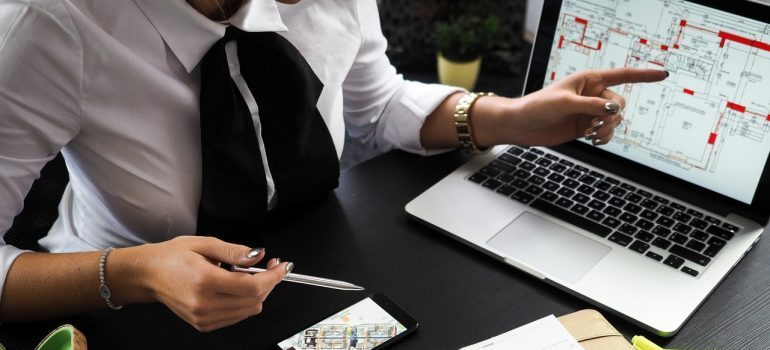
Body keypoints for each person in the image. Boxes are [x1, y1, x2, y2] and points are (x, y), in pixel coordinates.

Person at [0, 0, 666, 333]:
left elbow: (375, 104)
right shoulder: (44, 27)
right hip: (131, 310)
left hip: (321, 252)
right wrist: (137, 273)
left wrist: (505, 117)